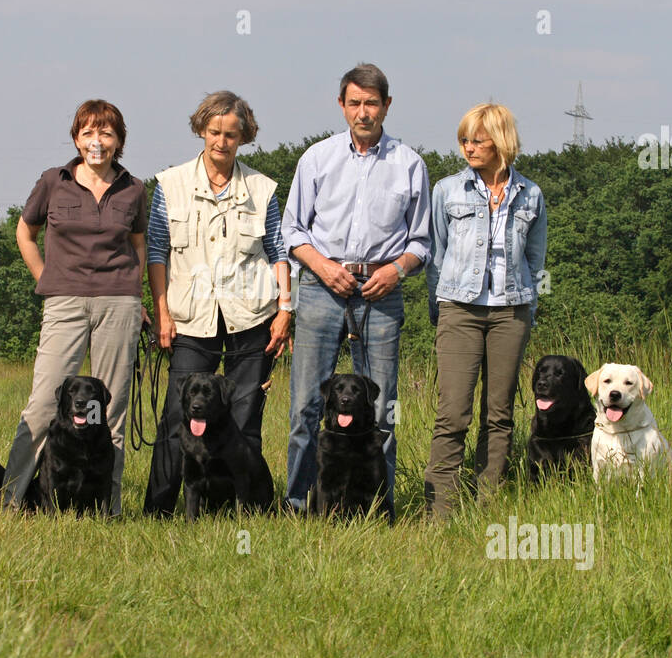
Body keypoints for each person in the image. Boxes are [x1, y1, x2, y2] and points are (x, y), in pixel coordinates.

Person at [280, 64, 431, 519]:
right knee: (308, 404)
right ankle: (298, 504)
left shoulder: (409, 163)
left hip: (382, 291)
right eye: (354, 103)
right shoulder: (316, 159)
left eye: (371, 103)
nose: (363, 112)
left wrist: (397, 271)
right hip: (322, 287)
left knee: (382, 410)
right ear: (341, 106)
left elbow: (421, 241)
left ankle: (377, 509)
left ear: (387, 105)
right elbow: (292, 230)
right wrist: (323, 267)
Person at [143, 91, 291, 517]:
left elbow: (278, 251)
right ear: (200, 130)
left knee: (244, 420)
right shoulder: (169, 184)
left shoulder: (262, 189)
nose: (221, 142)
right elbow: (157, 251)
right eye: (214, 132)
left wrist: (285, 310)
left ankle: (251, 511)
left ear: (244, 137)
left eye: (231, 134)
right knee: (178, 418)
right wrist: (163, 315)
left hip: (252, 315)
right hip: (189, 318)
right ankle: (159, 511)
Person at [2, 100, 147, 516]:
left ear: (119, 141)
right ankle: (11, 501)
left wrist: (136, 297)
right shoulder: (53, 181)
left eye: (105, 133)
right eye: (88, 133)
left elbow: (139, 246)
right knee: (44, 405)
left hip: (118, 302)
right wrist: (45, 279)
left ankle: (109, 508)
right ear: (76, 138)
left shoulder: (134, 188)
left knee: (110, 410)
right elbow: (25, 233)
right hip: (64, 301)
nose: (96, 142)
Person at [424, 103, 547, 515]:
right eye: (464, 140)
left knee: (499, 415)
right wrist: (439, 306)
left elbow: (535, 259)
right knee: (452, 415)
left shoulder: (531, 194)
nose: (468, 148)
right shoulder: (446, 190)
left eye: (478, 139)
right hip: (458, 309)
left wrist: (528, 309)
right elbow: (435, 256)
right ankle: (441, 514)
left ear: (502, 141)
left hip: (511, 312)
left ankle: (486, 510)